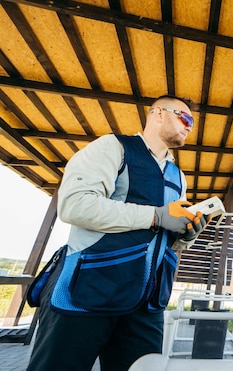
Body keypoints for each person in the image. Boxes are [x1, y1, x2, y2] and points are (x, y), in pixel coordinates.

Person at [27, 95, 209, 371]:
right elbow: (75, 205)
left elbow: (165, 239)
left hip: (146, 305)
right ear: (158, 113)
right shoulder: (113, 147)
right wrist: (156, 216)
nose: (189, 126)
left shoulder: (178, 176)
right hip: (87, 292)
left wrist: (187, 233)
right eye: (184, 117)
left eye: (192, 122)